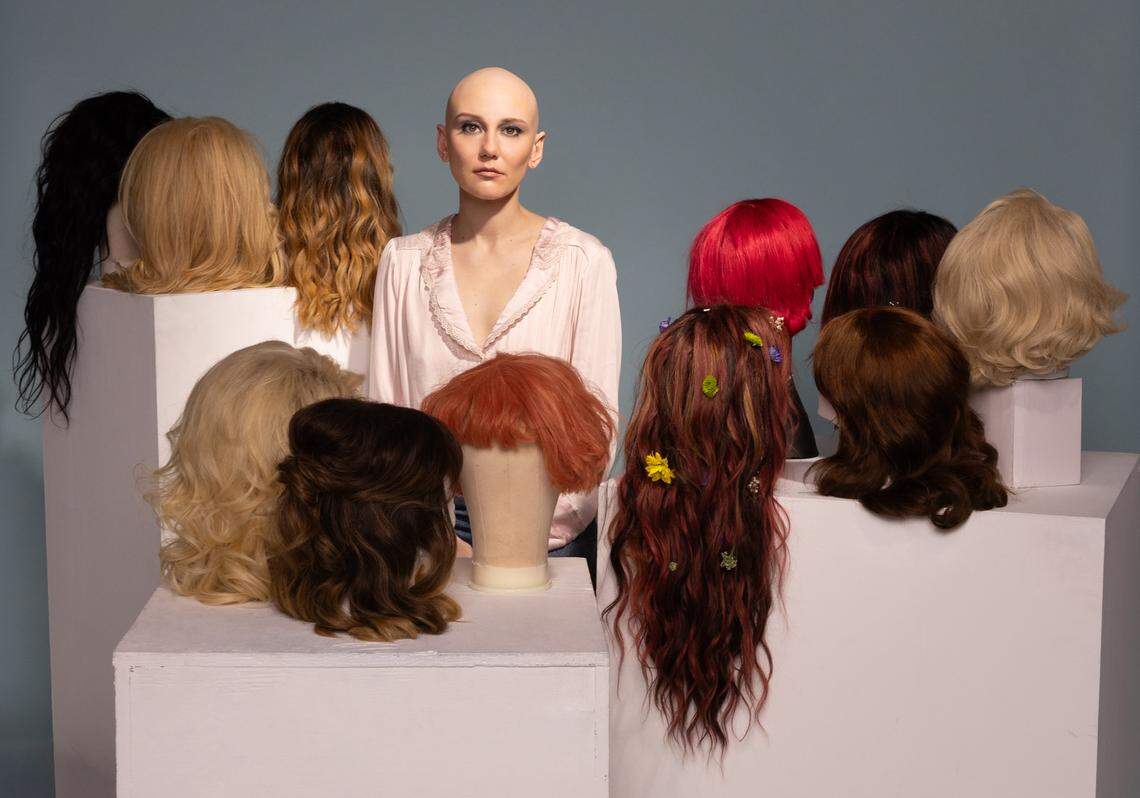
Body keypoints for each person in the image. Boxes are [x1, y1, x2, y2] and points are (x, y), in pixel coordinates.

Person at [369, 67, 621, 564]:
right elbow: (386, 413)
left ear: (537, 147)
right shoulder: (402, 262)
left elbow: (597, 423)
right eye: (470, 127)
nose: (489, 148)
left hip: (552, 529)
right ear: (443, 143)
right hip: (427, 529)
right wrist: (432, 533)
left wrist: (531, 529)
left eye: (511, 130)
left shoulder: (582, 261)